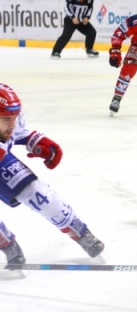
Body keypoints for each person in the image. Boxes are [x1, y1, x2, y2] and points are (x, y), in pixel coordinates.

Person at [0, 83, 105, 268]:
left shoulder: (8, 115)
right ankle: (7, 244)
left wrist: (35, 140)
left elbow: (15, 132)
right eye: (7, 118)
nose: (13, 123)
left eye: (14, 117)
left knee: (37, 193)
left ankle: (80, 232)